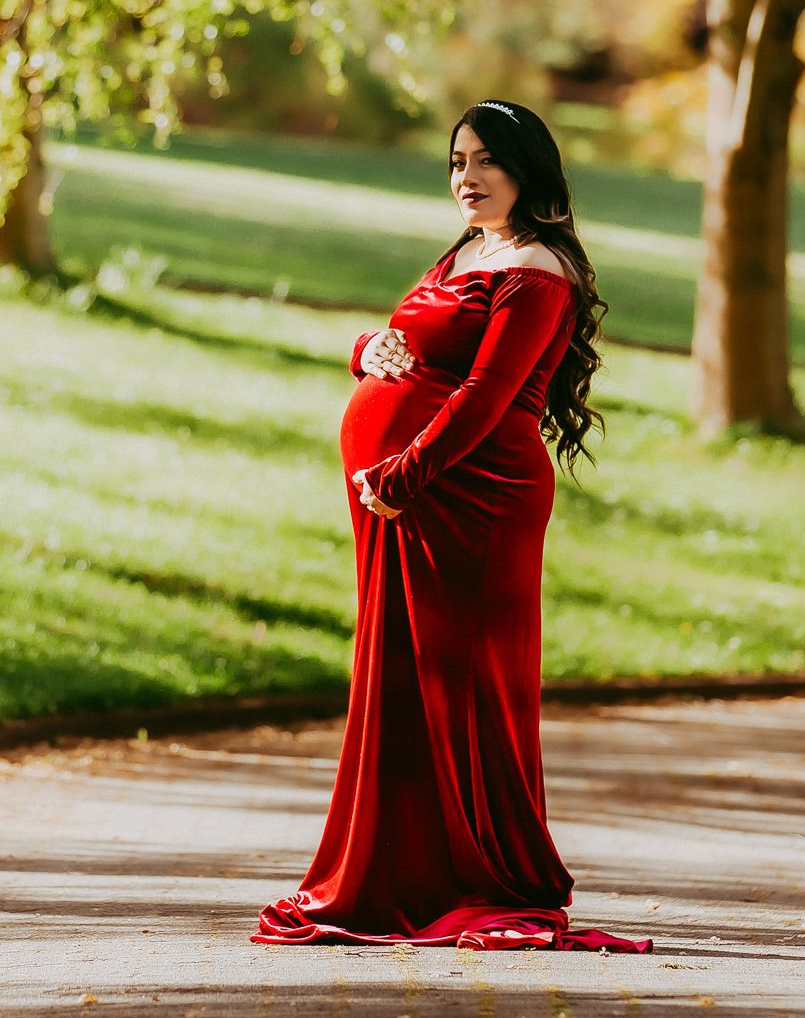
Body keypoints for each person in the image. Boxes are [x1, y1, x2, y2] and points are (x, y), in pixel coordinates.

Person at [253, 99, 652, 954]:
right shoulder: (474, 248)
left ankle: (488, 876)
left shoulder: (538, 268)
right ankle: (399, 873)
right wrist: (366, 349)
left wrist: (401, 472)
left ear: (527, 171)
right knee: (402, 681)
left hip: (473, 498)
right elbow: (413, 340)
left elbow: (487, 395)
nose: (466, 179)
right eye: (456, 162)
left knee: (463, 686)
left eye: (485, 163)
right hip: (407, 498)